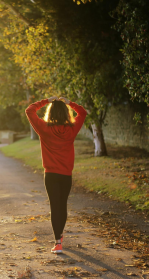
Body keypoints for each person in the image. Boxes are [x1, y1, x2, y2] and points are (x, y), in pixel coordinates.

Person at [25, 96, 87, 254]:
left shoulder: (44, 128)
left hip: (51, 175)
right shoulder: (72, 129)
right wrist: (70, 102)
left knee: (55, 206)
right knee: (63, 205)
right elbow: (83, 112)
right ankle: (59, 235)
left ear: (50, 112)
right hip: (66, 175)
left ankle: (58, 242)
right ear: (66, 113)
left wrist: (46, 100)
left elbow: (29, 110)